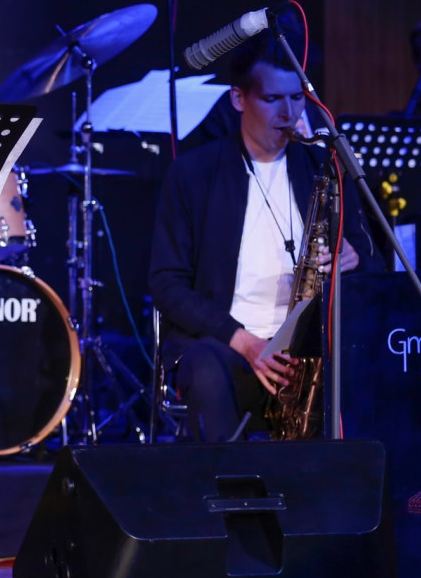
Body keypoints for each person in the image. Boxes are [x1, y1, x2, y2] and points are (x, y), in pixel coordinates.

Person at [148, 33, 373, 441]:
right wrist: (246, 342)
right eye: (272, 99)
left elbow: (373, 262)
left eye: (297, 97)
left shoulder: (325, 168)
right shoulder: (193, 174)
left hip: (309, 353)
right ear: (238, 99)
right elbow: (166, 284)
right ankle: (225, 484)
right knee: (205, 370)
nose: (289, 113)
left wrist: (354, 257)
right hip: (225, 347)